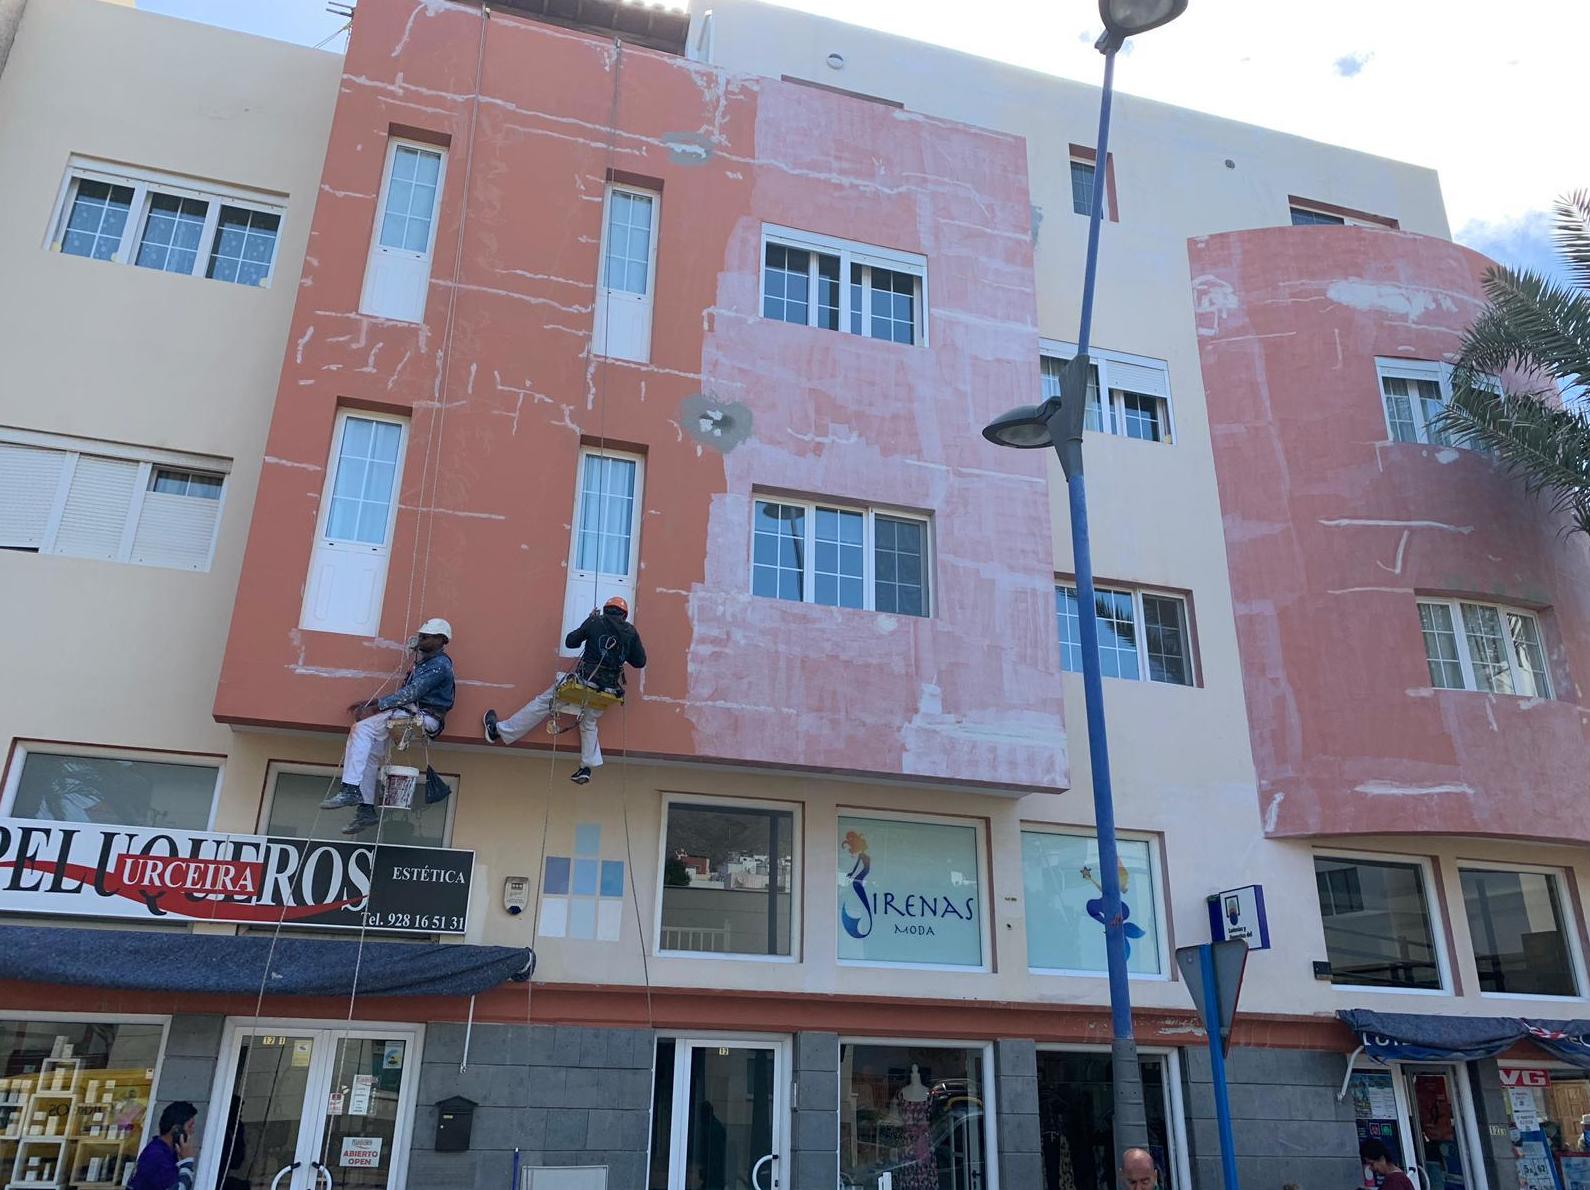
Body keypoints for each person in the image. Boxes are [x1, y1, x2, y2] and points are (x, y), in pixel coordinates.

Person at [483, 596, 646, 785]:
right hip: (608, 690)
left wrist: (588, 623)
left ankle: (500, 731)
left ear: (606, 609)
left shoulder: (595, 621)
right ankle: (586, 767)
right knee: (589, 721)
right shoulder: (631, 632)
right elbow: (640, 661)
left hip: (585, 683)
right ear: (624, 615)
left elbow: (571, 642)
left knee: (544, 702)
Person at [321, 617, 455, 834]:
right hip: (414, 713)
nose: (421, 639)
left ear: (441, 639)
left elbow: (413, 693)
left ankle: (350, 789)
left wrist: (377, 706)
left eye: (426, 637)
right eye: (420, 636)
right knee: (371, 751)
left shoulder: (440, 665)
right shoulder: (425, 663)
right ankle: (365, 810)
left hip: (425, 716)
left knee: (361, 729)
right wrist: (376, 704)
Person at [128, 1101, 197, 1190]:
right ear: (176, 1130)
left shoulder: (165, 1151)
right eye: (190, 1126)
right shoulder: (157, 1155)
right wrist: (187, 1162)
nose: (192, 1131)